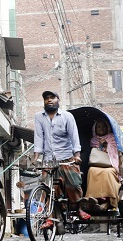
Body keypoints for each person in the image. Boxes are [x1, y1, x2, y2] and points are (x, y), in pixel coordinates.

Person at [33, 90, 90, 227]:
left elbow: (74, 137)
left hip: (66, 157)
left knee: (74, 185)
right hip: (49, 159)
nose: (49, 100)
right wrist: (36, 158)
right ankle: (49, 218)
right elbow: (39, 138)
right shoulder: (39, 117)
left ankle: (78, 209)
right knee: (47, 188)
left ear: (58, 100)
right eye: (46, 98)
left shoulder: (67, 116)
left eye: (52, 97)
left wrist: (77, 156)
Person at [85, 118, 121, 210]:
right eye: (99, 127)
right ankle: (93, 198)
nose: (101, 129)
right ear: (95, 129)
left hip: (111, 165)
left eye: (103, 127)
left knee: (108, 172)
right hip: (97, 165)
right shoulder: (93, 140)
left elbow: (116, 151)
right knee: (91, 170)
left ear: (107, 128)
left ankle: (109, 200)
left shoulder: (112, 138)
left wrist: (107, 145)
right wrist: (100, 145)